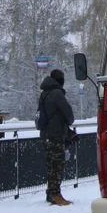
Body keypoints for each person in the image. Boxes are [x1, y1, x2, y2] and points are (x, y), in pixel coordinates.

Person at [39, 69, 75, 206]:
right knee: (57, 165)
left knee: (50, 165)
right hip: (55, 135)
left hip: (46, 134)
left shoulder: (45, 94)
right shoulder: (57, 94)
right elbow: (68, 114)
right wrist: (68, 124)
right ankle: (55, 194)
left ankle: (50, 193)